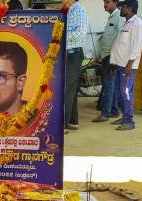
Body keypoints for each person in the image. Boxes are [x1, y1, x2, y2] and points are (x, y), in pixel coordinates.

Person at [110, 0, 142, 130]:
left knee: (126, 92)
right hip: (120, 64)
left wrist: (130, 64)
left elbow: (137, 46)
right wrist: (114, 64)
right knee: (121, 92)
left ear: (129, 9)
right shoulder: (127, 23)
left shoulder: (137, 24)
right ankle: (125, 116)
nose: (120, 9)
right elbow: (121, 45)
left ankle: (130, 121)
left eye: (123, 7)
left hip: (128, 66)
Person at [93, 0, 125, 122]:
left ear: (115, 3)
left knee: (108, 84)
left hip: (112, 56)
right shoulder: (111, 17)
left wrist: (114, 57)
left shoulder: (119, 17)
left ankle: (105, 113)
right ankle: (114, 110)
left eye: (108, 2)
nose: (105, 5)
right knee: (111, 84)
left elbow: (120, 38)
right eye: (104, 2)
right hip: (107, 56)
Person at [62, 0, 88, 131]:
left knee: (67, 88)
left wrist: (60, 34)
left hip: (73, 53)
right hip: (67, 53)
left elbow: (80, 33)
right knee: (70, 88)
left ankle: (63, 124)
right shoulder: (68, 9)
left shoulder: (79, 10)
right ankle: (73, 121)